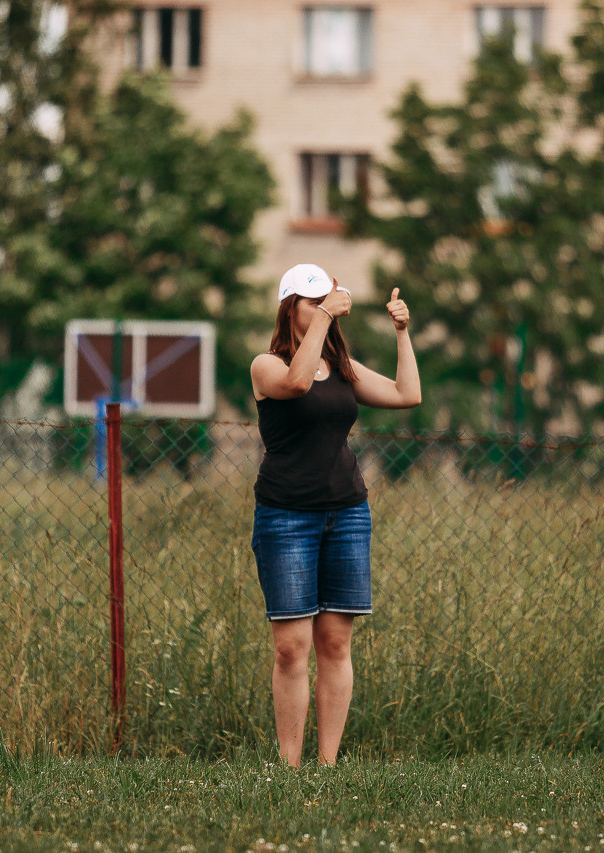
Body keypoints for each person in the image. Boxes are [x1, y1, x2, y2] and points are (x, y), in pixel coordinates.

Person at [250, 262, 421, 768]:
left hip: (346, 512)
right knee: (291, 646)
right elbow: (298, 383)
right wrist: (326, 316)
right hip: (286, 516)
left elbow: (406, 394)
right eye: (311, 301)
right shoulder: (267, 365)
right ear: (291, 309)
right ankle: (290, 766)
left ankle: (327, 766)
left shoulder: (341, 364)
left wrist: (402, 334)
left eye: (325, 299)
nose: (321, 307)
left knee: (335, 640)